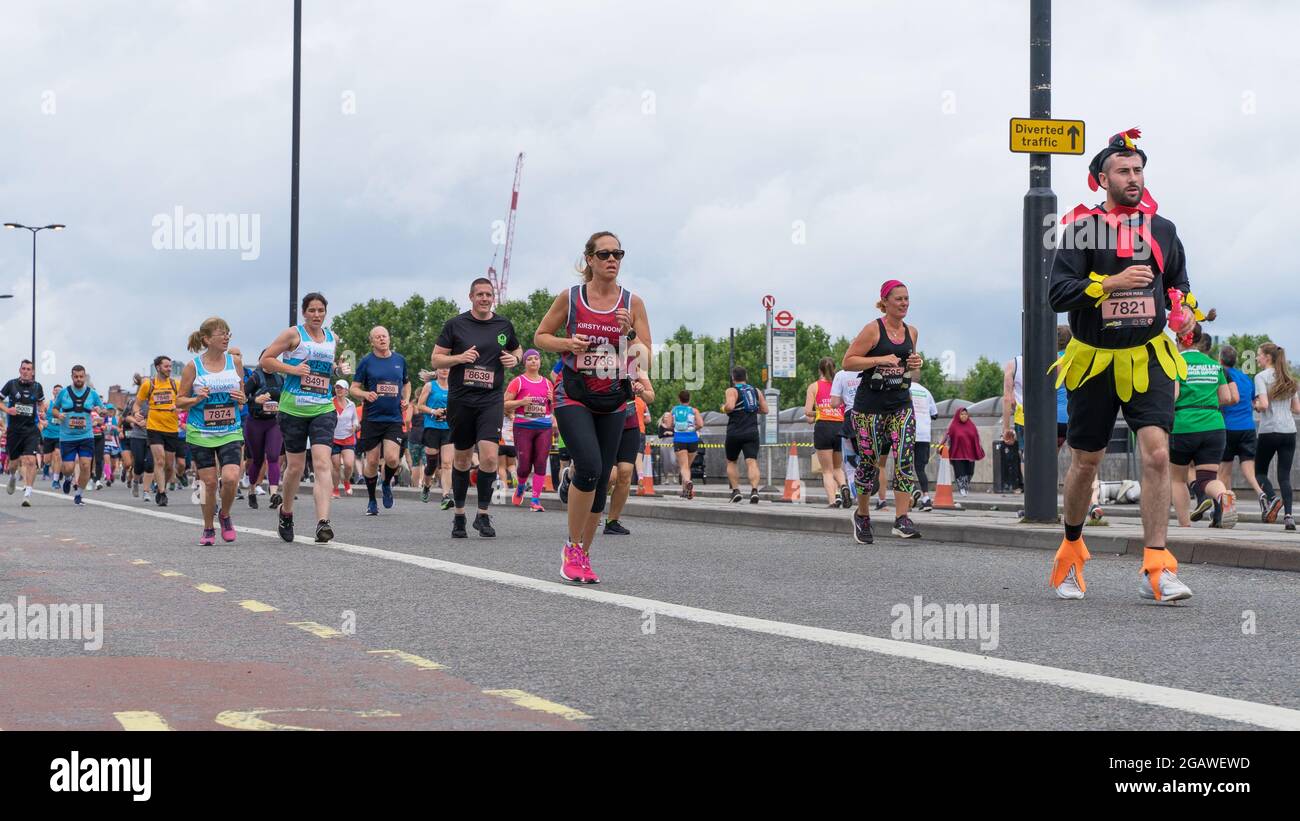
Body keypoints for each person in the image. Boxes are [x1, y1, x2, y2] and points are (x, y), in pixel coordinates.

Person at [1049, 127, 1207, 601]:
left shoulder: (1163, 229)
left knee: (1158, 452)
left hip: (1149, 356)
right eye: (1123, 171)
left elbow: (1180, 284)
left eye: (1138, 170)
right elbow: (1058, 294)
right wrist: (1109, 283)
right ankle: (1072, 550)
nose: (1133, 178)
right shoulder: (1080, 229)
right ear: (1102, 178)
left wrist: (1184, 313)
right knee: (1086, 461)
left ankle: (1156, 566)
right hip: (1094, 359)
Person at [534, 230, 651, 583]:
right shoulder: (571, 299)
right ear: (589, 259)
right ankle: (571, 546)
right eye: (604, 254)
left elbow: (645, 359)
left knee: (601, 478)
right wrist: (568, 342)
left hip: (614, 399)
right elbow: (541, 336)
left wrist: (630, 336)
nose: (612, 260)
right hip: (574, 395)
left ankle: (583, 554)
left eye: (618, 254)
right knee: (588, 466)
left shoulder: (633, 303)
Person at [430, 278, 523, 538]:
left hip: (491, 399)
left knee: (490, 457)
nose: (484, 298)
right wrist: (459, 358)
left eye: (488, 294)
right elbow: (435, 358)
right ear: (471, 296)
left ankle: (482, 515)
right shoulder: (455, 325)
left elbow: (518, 351)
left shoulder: (503, 324)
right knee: (461, 458)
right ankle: (459, 515)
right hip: (461, 399)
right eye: (480, 294)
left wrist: (512, 359)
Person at [841, 279, 924, 543]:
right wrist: (879, 359)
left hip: (901, 403)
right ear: (885, 302)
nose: (904, 304)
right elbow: (848, 362)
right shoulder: (873, 330)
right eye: (898, 299)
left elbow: (913, 372)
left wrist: (915, 363)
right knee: (869, 463)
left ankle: (902, 518)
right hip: (870, 408)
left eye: (907, 299)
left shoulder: (912, 332)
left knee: (904, 458)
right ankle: (863, 515)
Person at [260, 292, 342, 543]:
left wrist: (337, 369)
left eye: (321, 311)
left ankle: (323, 523)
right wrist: (292, 369)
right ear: (304, 313)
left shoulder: (332, 338)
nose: (317, 315)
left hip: (322, 408)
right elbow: (266, 361)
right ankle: (286, 513)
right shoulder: (293, 334)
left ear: (326, 313)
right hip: (293, 409)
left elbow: (326, 368)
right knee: (295, 467)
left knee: (321, 463)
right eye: (312, 311)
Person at [176, 318, 246, 545]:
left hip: (230, 429)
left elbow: (242, 398)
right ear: (207, 339)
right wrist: (196, 399)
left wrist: (241, 399)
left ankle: (224, 514)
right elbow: (179, 401)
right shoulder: (192, 366)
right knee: (208, 483)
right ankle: (208, 527)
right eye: (221, 334)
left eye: (228, 333)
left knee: (231, 477)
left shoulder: (234, 362)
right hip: (200, 432)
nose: (226, 337)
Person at [1169, 321, 1236, 528]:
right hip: (1214, 426)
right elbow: (1226, 397)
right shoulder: (1215, 365)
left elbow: (1174, 394)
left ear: (1178, 339)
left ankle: (1185, 525)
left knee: (1178, 479)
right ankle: (1224, 495)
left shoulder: (1175, 363)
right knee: (1207, 478)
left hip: (1184, 426)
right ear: (1198, 340)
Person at [351, 325, 410, 516]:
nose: (382, 339)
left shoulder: (399, 360)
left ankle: (385, 484)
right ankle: (371, 500)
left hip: (393, 418)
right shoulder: (366, 362)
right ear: (372, 341)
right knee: (372, 461)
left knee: (393, 459)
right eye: (377, 337)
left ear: (389, 338)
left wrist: (406, 399)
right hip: (372, 418)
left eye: (384, 336)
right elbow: (354, 388)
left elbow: (407, 383)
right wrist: (365, 394)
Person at [1253, 342, 1298, 530]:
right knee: (1285, 476)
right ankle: (1289, 516)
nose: (1256, 358)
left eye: (1259, 355)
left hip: (1270, 430)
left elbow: (1263, 405)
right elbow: (1297, 408)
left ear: (1267, 357)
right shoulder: (1289, 378)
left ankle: (1272, 499)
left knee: (1259, 472)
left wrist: (1255, 405)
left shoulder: (1261, 377)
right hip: (1289, 430)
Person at [604, 363, 654, 533]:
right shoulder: (601, 361)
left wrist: (641, 391)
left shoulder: (638, 368)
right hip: (606, 422)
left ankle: (612, 521)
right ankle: (591, 511)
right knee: (610, 476)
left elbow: (651, 396)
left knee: (625, 473)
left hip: (630, 424)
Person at [1214, 345, 1265, 511]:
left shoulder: (1221, 375)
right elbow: (1253, 402)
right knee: (1248, 468)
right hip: (1248, 428)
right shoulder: (1245, 378)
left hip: (1228, 428)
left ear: (1220, 359)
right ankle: (1260, 492)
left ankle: (1227, 508)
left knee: (1224, 472)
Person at [505, 350, 556, 512]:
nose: (534, 361)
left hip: (544, 427)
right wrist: (522, 401)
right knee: (524, 464)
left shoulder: (548, 383)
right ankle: (520, 487)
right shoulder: (518, 382)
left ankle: (535, 499)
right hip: (523, 427)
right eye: (530, 359)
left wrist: (552, 400)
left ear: (540, 362)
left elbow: (554, 407)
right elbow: (504, 403)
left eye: (536, 359)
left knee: (541, 461)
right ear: (525, 363)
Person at [51, 366, 109, 506]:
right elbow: (54, 409)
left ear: (84, 377)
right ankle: (67, 478)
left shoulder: (92, 393)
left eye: (81, 376)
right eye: (76, 376)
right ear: (72, 376)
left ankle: (79, 494)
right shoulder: (64, 392)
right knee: (69, 467)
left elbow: (103, 410)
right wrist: (59, 415)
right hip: (67, 437)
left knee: (85, 466)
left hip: (86, 435)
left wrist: (101, 411)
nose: (78, 379)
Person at [134, 356, 181, 506]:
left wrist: (179, 407)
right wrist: (136, 414)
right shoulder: (148, 385)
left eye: (170, 366)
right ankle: (161, 493)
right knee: (159, 460)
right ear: (158, 367)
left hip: (172, 428)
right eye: (166, 366)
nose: (169, 369)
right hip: (154, 427)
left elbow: (184, 402)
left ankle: (162, 485)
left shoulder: (176, 384)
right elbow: (137, 405)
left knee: (168, 465)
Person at [804, 357, 850, 508]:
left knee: (827, 471)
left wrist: (819, 412)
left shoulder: (814, 387)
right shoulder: (840, 386)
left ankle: (833, 501)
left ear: (819, 370)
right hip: (840, 427)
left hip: (823, 427)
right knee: (838, 467)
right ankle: (843, 486)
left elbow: (808, 414)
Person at [243, 349, 286, 509]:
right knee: (257, 459)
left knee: (273, 456)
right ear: (262, 360)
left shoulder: (280, 379)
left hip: (273, 422)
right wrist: (255, 399)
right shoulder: (255, 377)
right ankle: (252, 490)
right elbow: (242, 397)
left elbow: (287, 397)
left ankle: (274, 493)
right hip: (255, 422)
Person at [2, 359, 46, 507]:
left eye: (29, 369)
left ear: (32, 372)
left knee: (30, 460)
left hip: (31, 430)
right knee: (13, 463)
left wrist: (41, 413)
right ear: (20, 370)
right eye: (24, 368)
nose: (26, 371)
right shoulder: (11, 384)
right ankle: (13, 477)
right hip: (14, 430)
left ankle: (27, 493)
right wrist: (8, 410)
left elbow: (41, 403)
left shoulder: (37, 386)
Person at [721, 366, 766, 504]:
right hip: (751, 431)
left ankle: (735, 491)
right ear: (746, 377)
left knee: (731, 461)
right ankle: (754, 491)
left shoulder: (732, 390)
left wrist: (723, 408)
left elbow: (730, 406)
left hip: (735, 431)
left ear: (733, 378)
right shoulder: (755, 390)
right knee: (751, 462)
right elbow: (765, 409)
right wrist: (751, 410)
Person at [415, 368, 453, 507]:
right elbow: (420, 406)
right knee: (431, 465)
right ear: (436, 371)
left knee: (447, 464)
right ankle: (426, 486)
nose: (444, 370)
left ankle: (446, 496)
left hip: (449, 429)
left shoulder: (454, 386)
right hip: (432, 428)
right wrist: (433, 411)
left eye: (447, 368)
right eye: (441, 368)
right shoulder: (430, 386)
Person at [829, 367, 863, 505]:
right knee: (866, 457)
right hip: (869, 417)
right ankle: (871, 474)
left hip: (851, 419)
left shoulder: (841, 375)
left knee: (850, 463)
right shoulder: (870, 370)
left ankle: (858, 498)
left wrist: (846, 397)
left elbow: (834, 403)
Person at [909, 381, 939, 511]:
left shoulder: (903, 387)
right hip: (924, 435)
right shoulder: (926, 391)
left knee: (903, 466)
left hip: (908, 432)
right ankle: (926, 499)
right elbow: (935, 414)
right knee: (920, 468)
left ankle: (913, 489)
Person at [940, 408, 984, 495]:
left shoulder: (972, 425)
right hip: (957, 453)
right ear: (958, 415)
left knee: (970, 472)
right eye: (962, 414)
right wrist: (941, 445)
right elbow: (947, 436)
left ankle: (965, 485)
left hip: (970, 453)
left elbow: (976, 437)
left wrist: (979, 447)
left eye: (965, 414)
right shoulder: (953, 426)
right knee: (960, 472)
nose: (964, 416)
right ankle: (962, 488)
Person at [669, 391, 704, 499]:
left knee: (683, 466)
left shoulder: (674, 410)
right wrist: (693, 429)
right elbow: (700, 424)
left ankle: (688, 482)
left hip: (679, 439)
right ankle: (685, 490)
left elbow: (669, 424)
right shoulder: (694, 411)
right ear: (689, 399)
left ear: (679, 399)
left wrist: (675, 428)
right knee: (687, 466)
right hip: (693, 439)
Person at [331, 380, 359, 498]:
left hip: (348, 437)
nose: (339, 390)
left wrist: (355, 425)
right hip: (333, 438)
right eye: (337, 388)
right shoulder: (330, 402)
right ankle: (335, 489)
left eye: (341, 388)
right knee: (336, 465)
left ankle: (346, 481)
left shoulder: (351, 404)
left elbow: (355, 419)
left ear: (346, 391)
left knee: (348, 464)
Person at [39, 383, 63, 489]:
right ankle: (46, 466)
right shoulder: (48, 403)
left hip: (60, 435)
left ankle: (56, 480)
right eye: (56, 390)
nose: (57, 391)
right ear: (53, 392)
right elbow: (38, 414)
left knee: (57, 455)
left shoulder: (65, 405)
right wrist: (42, 420)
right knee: (47, 459)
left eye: (60, 390)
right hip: (48, 434)